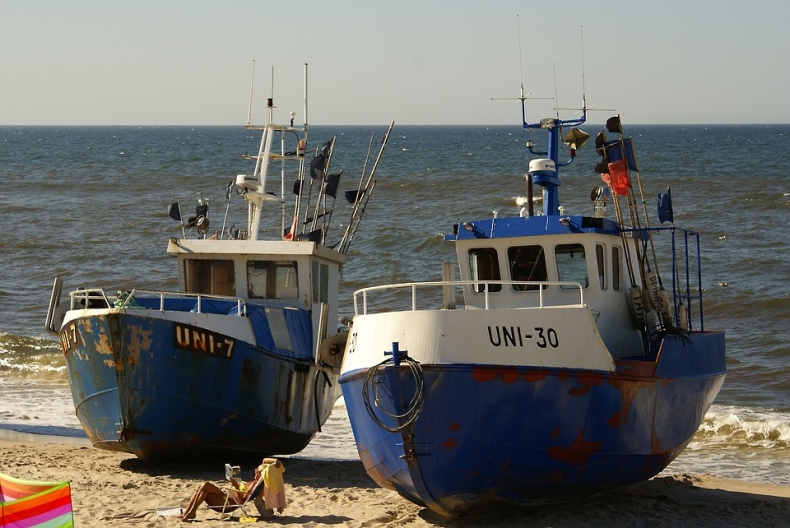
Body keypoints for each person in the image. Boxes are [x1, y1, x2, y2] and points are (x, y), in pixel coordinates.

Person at [179, 463, 263, 522]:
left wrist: (236, 486)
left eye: (258, 473)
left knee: (206, 485)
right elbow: (265, 462)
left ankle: (191, 512)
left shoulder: (253, 485)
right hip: (226, 497)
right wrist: (235, 482)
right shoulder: (251, 482)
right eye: (255, 471)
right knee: (201, 489)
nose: (255, 474)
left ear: (262, 475)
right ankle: (188, 512)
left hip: (228, 502)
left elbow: (241, 500)